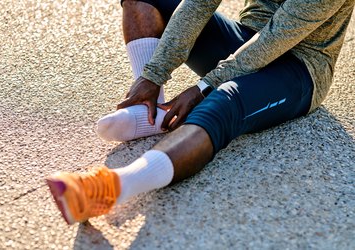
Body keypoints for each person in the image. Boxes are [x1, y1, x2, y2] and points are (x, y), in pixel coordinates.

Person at [46, 0, 355, 225]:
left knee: (223, 99)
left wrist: (203, 87)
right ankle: (150, 113)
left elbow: (277, 37)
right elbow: (199, 3)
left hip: (299, 67)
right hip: (245, 37)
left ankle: (112, 187)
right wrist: (154, 73)